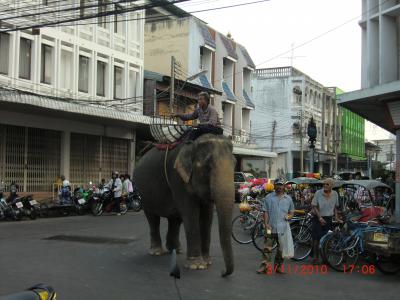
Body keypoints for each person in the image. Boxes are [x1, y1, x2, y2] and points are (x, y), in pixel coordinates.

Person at [256, 178, 294, 274]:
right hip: (270, 227)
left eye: (281, 185)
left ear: (284, 186)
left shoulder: (288, 199)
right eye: (277, 185)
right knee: (267, 248)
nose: (279, 187)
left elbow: (292, 212)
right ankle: (265, 267)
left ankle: (278, 267)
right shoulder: (269, 197)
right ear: (274, 186)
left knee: (281, 249)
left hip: (283, 228)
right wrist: (266, 224)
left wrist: (289, 216)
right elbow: (265, 211)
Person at [311, 178, 341, 264]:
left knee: (327, 239)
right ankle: (316, 258)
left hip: (328, 218)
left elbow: (335, 207)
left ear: (332, 185)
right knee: (316, 238)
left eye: (327, 184)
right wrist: (320, 217)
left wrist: (337, 217)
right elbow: (314, 206)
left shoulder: (335, 194)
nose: (325, 185)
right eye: (324, 184)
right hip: (318, 218)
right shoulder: (318, 193)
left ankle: (325, 258)